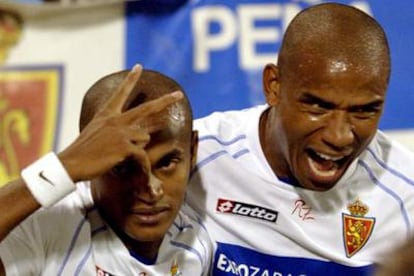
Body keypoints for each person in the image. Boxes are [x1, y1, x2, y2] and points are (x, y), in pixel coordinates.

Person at [185, 3, 414, 275]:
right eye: (319, 107)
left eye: (364, 111)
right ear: (274, 86)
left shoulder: (405, 196)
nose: (339, 136)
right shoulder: (191, 160)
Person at [0, 65, 212, 275]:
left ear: (192, 151)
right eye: (124, 168)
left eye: (166, 164)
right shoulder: (50, 226)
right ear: (90, 157)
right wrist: (65, 166)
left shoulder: (197, 246)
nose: (151, 190)